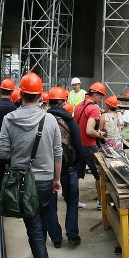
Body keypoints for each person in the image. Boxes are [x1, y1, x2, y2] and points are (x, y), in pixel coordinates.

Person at [0, 72, 62, 258]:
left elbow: (2, 153)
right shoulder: (50, 119)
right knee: (40, 219)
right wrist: (56, 179)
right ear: (40, 96)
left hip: (22, 181)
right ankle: (41, 255)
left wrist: (20, 153)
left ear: (21, 95)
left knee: (33, 224)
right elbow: (58, 152)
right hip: (45, 181)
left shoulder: (9, 120)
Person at [45, 86, 84, 246]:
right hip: (69, 167)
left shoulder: (43, 120)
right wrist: (78, 166)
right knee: (72, 201)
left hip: (48, 168)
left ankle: (56, 238)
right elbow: (79, 147)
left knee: (50, 204)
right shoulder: (69, 121)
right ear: (62, 102)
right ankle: (72, 235)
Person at [73, 81, 107, 210]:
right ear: (96, 94)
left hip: (78, 145)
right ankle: (100, 203)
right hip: (89, 146)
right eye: (101, 96)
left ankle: (74, 201)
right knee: (99, 174)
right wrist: (100, 134)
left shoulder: (79, 106)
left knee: (76, 174)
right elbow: (89, 130)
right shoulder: (93, 108)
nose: (101, 99)